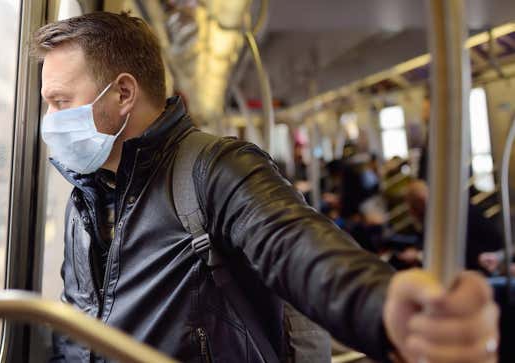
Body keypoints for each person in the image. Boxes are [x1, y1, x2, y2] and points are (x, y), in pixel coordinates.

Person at [33, 12, 499, 363]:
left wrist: (383, 307)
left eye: (61, 102)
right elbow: (78, 326)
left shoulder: (215, 170)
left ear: (123, 94)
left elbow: (296, 247)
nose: (50, 122)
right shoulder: (87, 195)